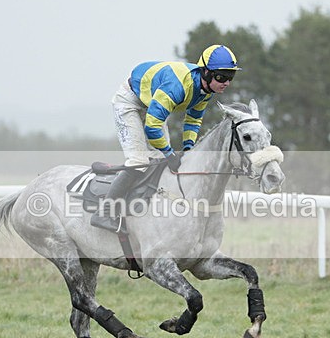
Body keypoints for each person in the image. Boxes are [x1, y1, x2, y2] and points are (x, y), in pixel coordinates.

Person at [91, 44, 241, 232]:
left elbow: (193, 119)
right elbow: (152, 127)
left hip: (151, 104)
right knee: (139, 161)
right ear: (206, 72)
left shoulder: (206, 90)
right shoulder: (177, 86)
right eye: (221, 76)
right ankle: (104, 212)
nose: (226, 82)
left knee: (160, 161)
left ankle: (149, 210)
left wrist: (188, 148)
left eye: (230, 77)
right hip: (129, 102)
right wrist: (170, 153)